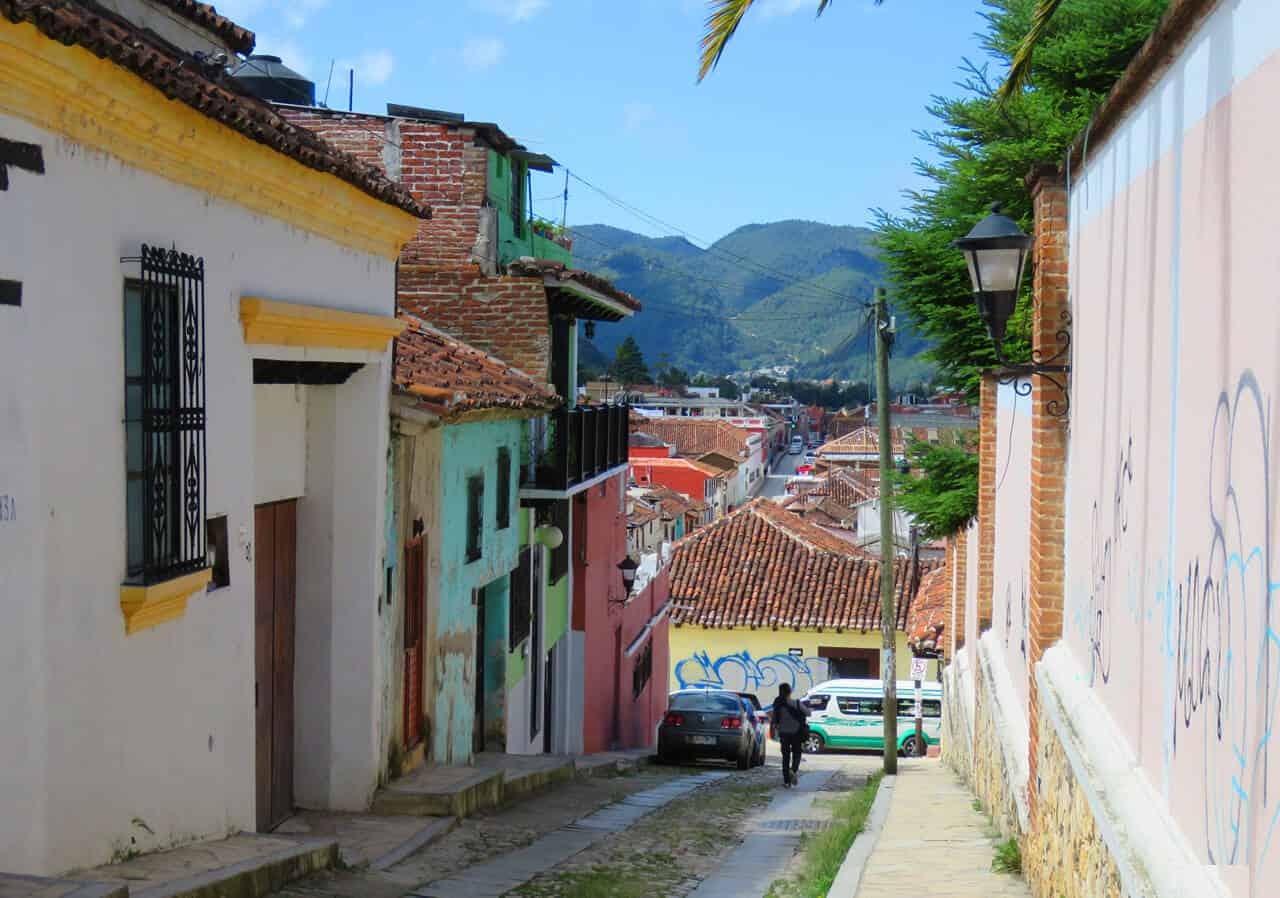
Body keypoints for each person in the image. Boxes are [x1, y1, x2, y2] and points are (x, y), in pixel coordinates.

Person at [771, 683, 810, 788]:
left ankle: (787, 781)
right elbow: (808, 713)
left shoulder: (778, 704)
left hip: (784, 734)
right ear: (790, 691)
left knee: (785, 757)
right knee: (797, 753)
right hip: (797, 733)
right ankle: (793, 770)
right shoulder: (797, 703)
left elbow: (774, 720)